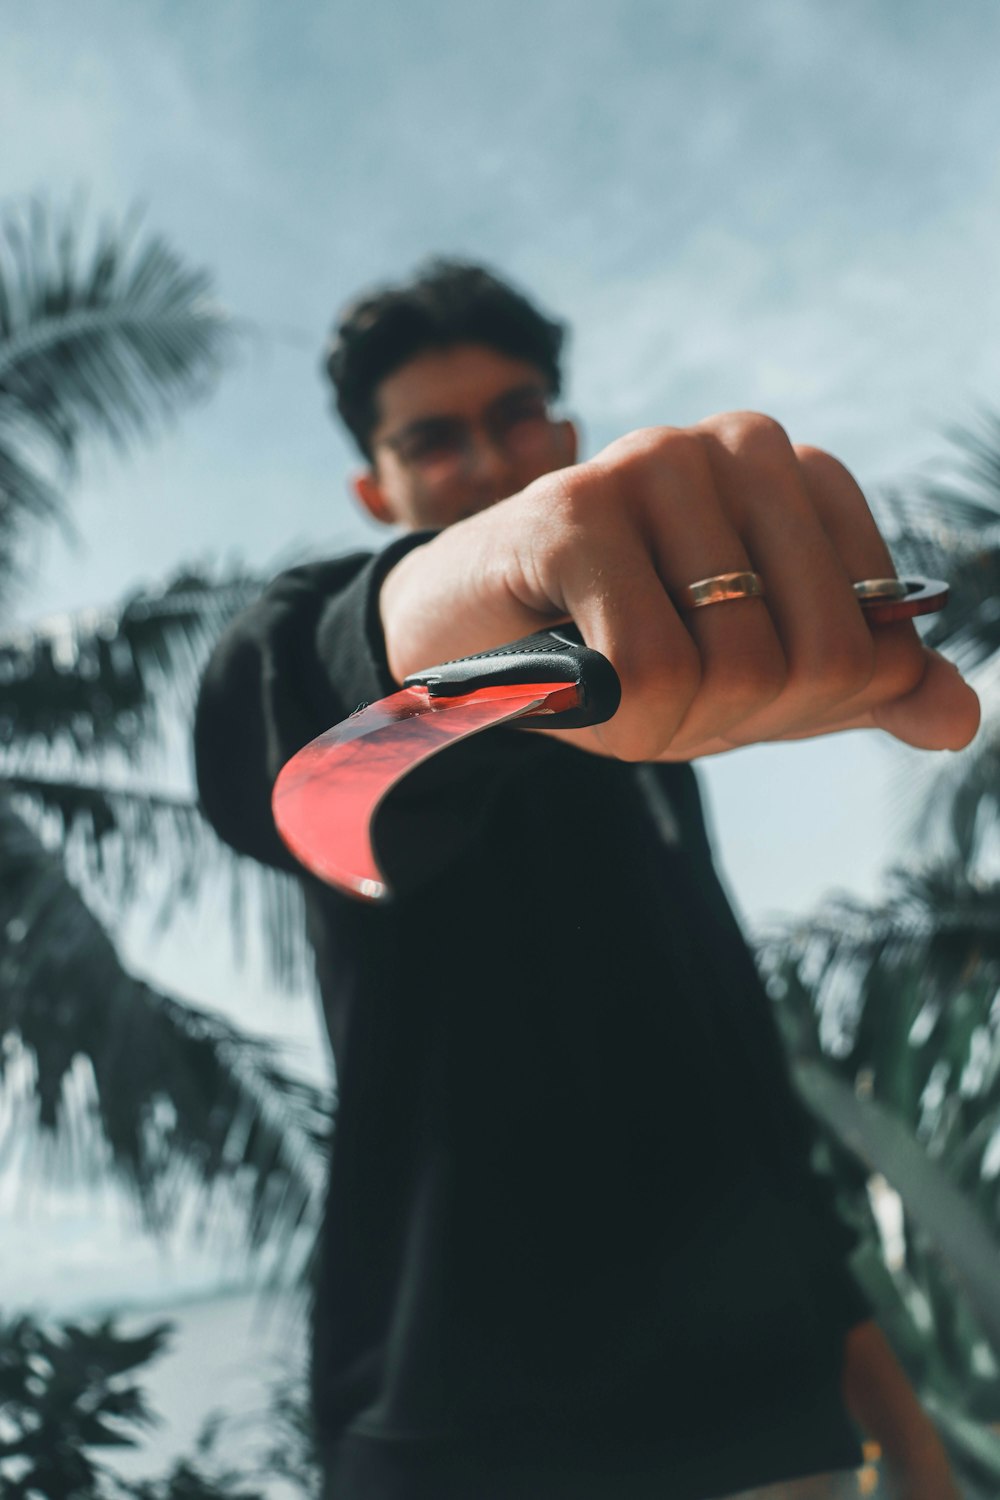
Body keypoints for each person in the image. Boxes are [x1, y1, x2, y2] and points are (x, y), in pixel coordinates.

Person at [194, 261, 975, 1498]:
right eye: (431, 440)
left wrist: (911, 1446)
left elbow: (749, 1115)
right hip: (472, 1450)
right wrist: (436, 627)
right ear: (376, 485)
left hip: (772, 1439)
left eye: (513, 416)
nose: (481, 457)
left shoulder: (663, 760)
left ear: (561, 426)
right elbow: (273, 730)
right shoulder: (373, 711)